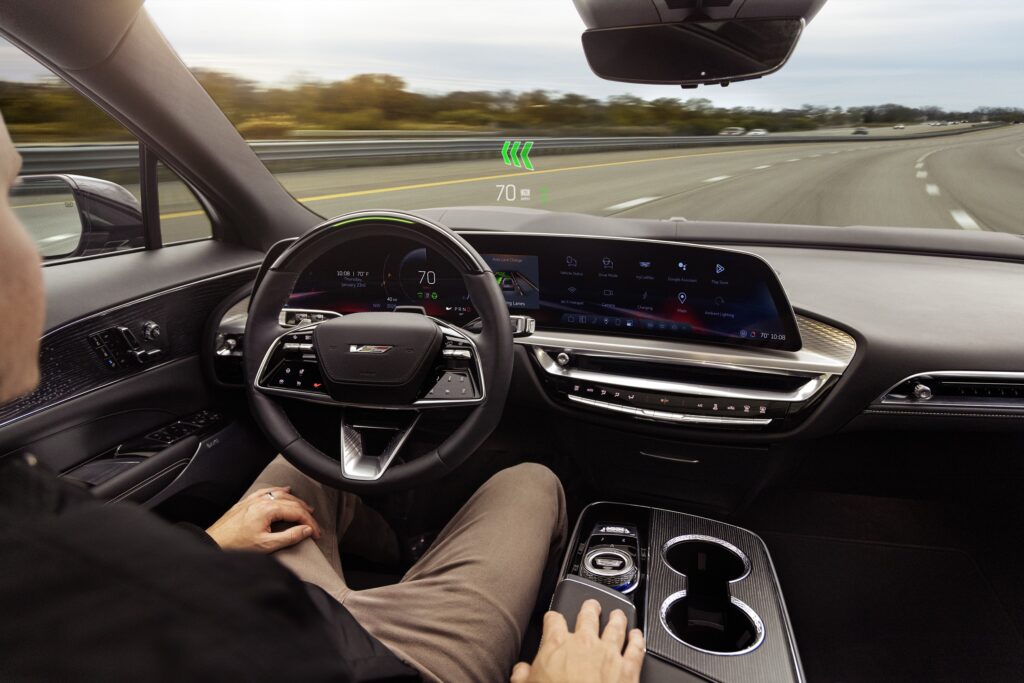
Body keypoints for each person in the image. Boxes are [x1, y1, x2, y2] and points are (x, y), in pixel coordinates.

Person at [0, 111, 645, 682]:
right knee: (530, 480)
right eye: (7, 201)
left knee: (295, 469)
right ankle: (416, 554)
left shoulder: (42, 547)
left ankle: (397, 551)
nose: (31, 247)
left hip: (278, 615)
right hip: (382, 663)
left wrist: (209, 547)